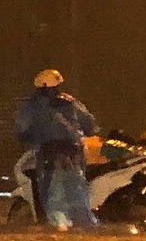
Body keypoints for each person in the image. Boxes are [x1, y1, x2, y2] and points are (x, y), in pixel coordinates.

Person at [15, 69, 100, 229]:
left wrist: (28, 139)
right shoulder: (70, 101)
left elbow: (22, 128)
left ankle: (59, 223)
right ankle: (85, 223)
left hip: (50, 152)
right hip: (75, 151)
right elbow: (90, 124)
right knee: (77, 186)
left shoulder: (33, 105)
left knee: (54, 188)